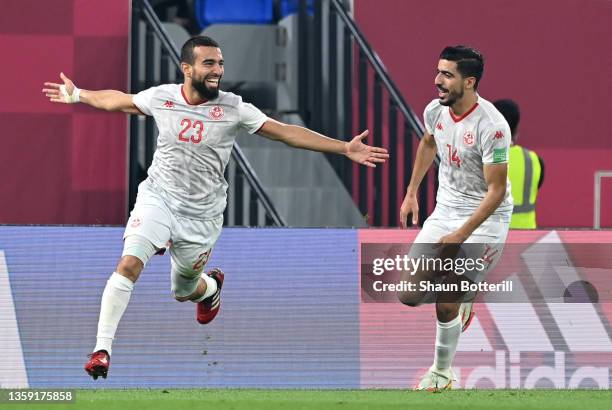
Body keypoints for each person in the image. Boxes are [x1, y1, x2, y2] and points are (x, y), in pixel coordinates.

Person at [42, 36, 388, 380]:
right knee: (129, 263)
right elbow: (120, 101)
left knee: (183, 290)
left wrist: (344, 148)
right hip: (158, 198)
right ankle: (102, 350)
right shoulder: (162, 97)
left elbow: (284, 132)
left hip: (202, 215)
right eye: (209, 63)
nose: (218, 71)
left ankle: (210, 289)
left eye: (220, 64)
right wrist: (80, 94)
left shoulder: (233, 107)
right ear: (187, 68)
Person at [398, 46, 512, 391]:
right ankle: (463, 302)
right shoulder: (436, 110)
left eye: (447, 75)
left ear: (470, 81)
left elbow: (495, 192)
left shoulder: (491, 127)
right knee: (409, 294)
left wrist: (462, 234)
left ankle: (442, 374)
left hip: (485, 219)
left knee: (446, 299)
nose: (437, 81)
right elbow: (429, 143)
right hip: (444, 211)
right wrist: (412, 192)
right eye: (438, 72)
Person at [493, 99, 544, 229]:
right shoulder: (533, 159)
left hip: (493, 238)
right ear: (516, 128)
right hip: (527, 239)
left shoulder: (484, 158)